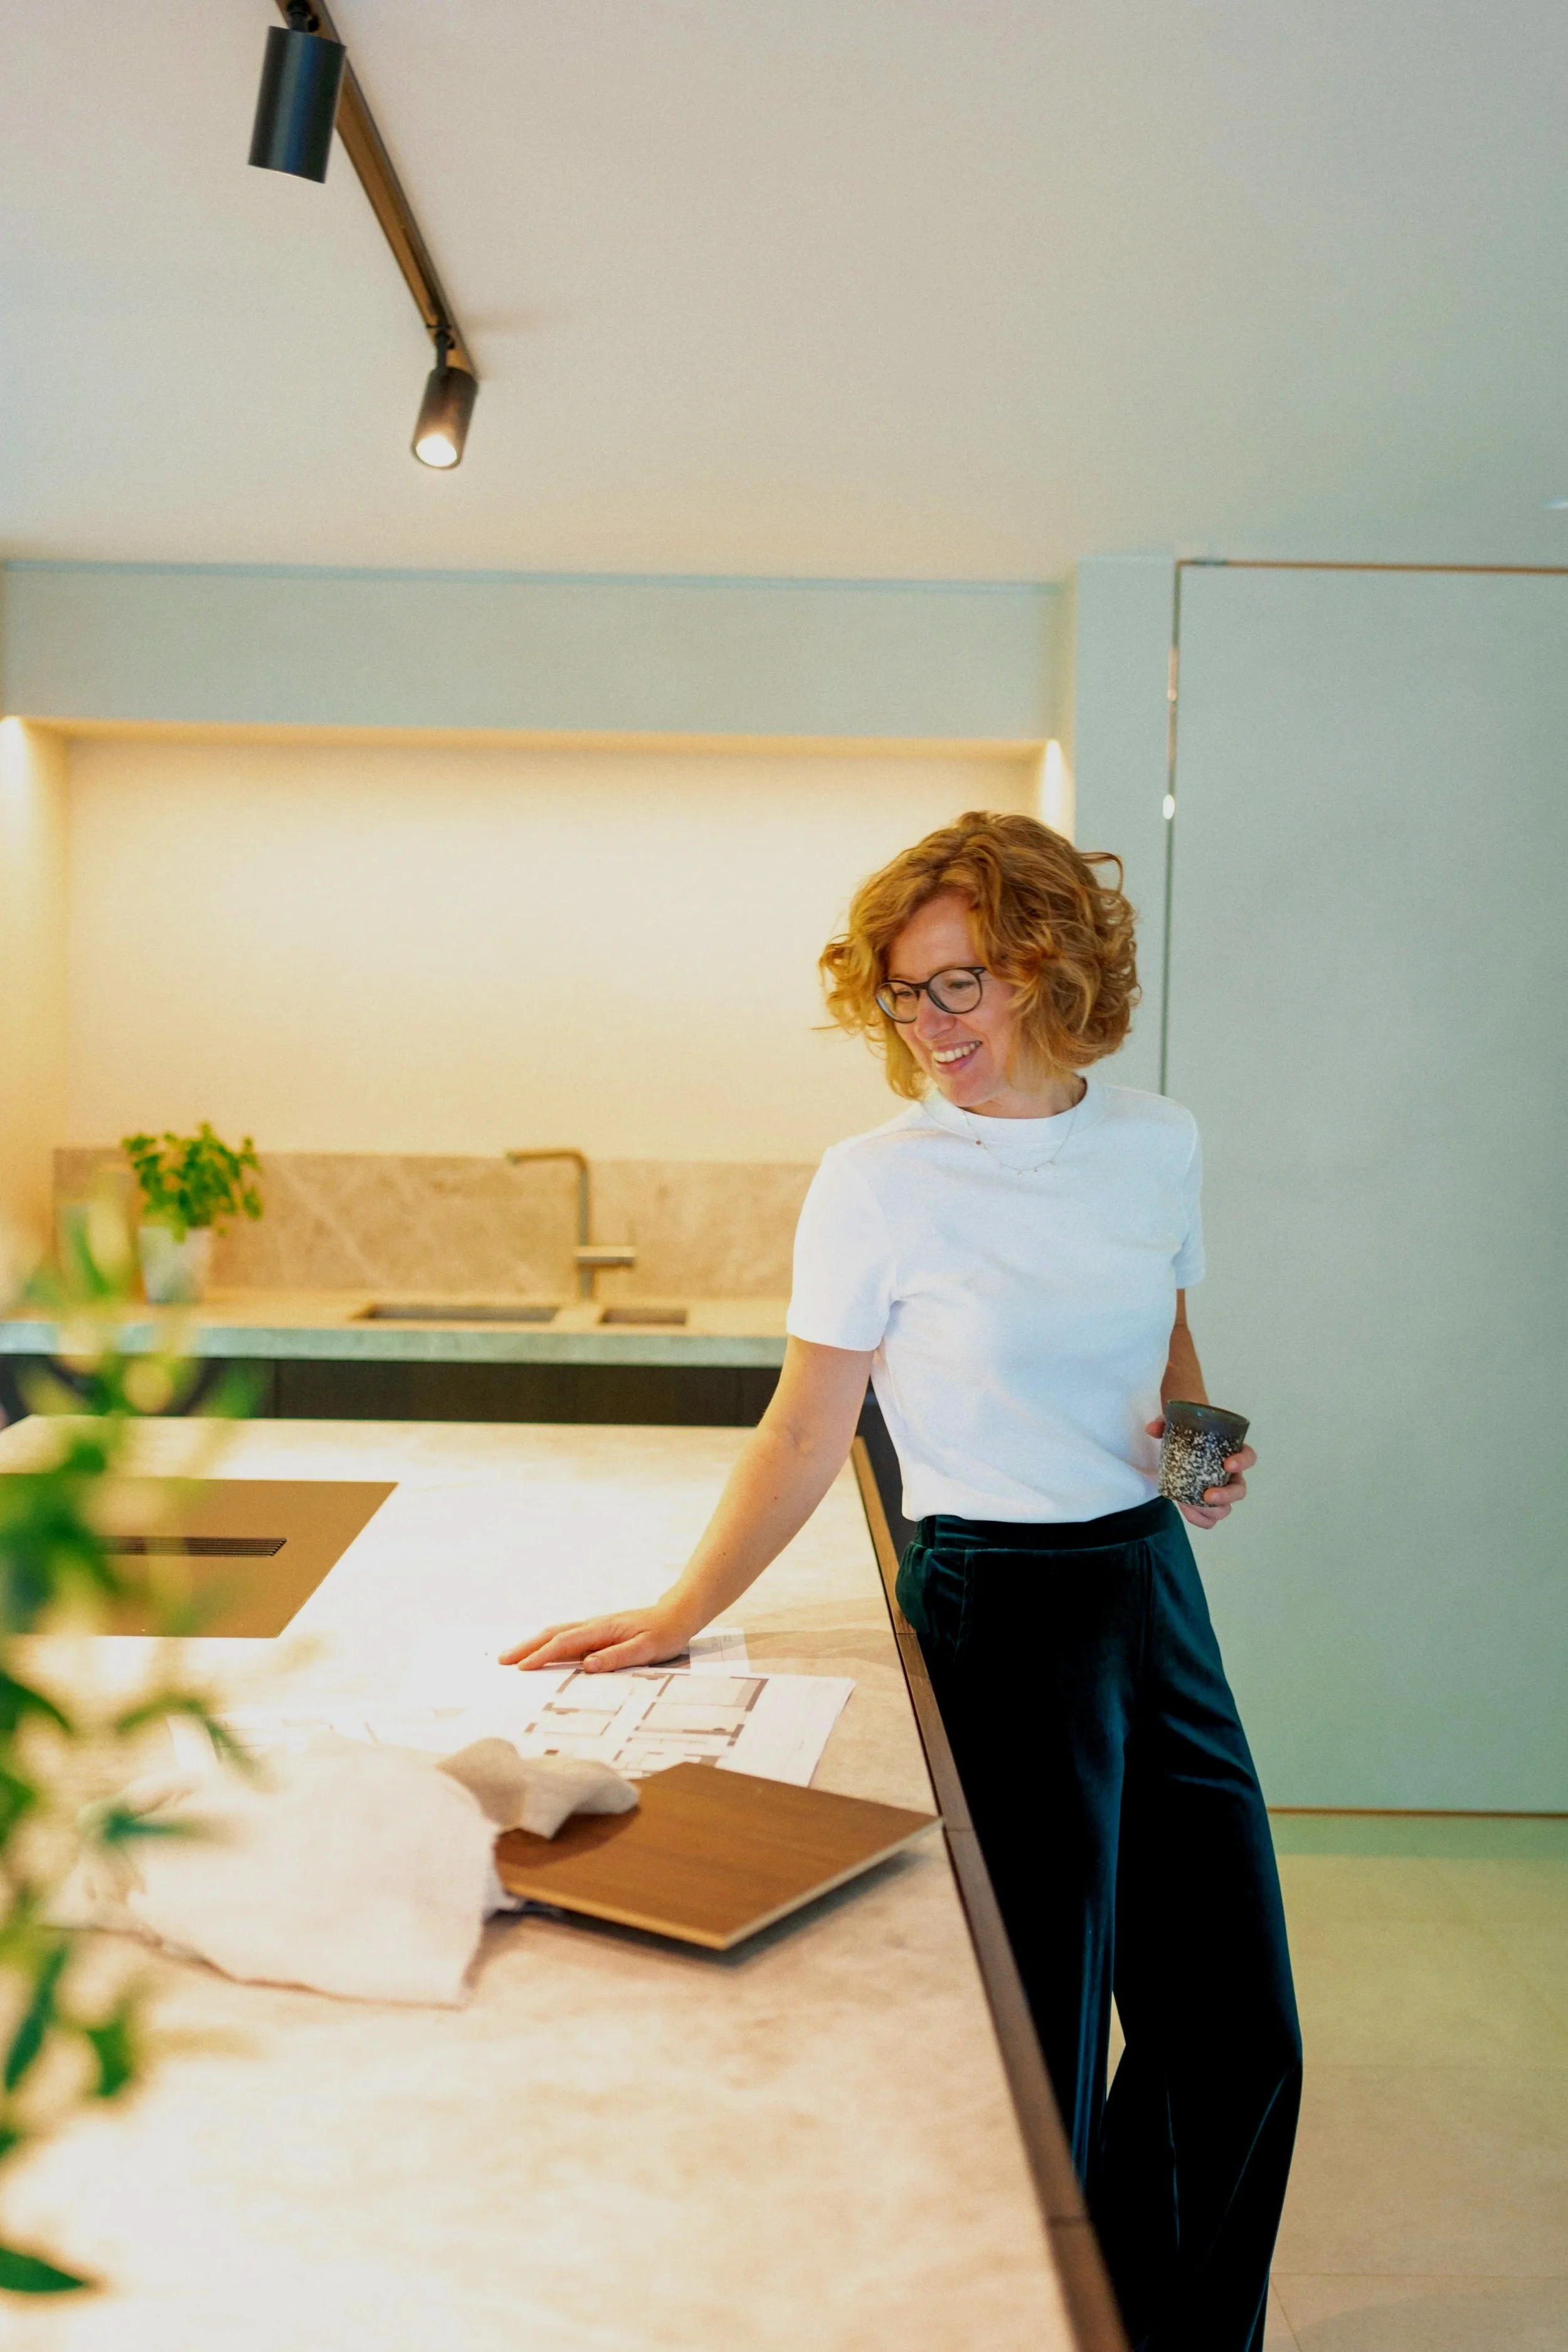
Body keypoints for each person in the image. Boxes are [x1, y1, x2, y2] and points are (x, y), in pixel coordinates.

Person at [502, 810, 1301, 2352]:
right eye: (903, 993)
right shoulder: (877, 1181)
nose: (928, 1026)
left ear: (1048, 966)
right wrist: (679, 1610)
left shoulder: (1156, 1140)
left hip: (1149, 1596)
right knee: (1046, 2051)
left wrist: (1197, 1459)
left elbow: (1165, 1337)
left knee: (1237, 2035)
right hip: (991, 1607)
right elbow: (810, 1420)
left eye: (959, 985)